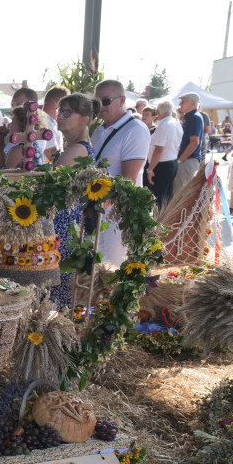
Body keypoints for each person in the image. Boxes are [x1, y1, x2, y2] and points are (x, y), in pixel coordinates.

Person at [48, 92, 99, 310]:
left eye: (67, 112)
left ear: (84, 119)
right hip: (68, 225)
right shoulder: (76, 147)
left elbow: (50, 191)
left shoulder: (77, 150)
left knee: (52, 292)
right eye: (60, 111)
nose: (60, 116)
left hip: (63, 225)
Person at [90, 80, 150, 265]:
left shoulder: (135, 129)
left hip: (117, 216)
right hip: (97, 211)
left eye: (105, 101)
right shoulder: (99, 130)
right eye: (96, 102)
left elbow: (128, 180)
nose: (101, 107)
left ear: (122, 100)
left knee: (112, 269)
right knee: (93, 269)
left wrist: (96, 206)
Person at [146, 101, 183, 210]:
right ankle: (165, 222)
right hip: (171, 162)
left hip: (162, 165)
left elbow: (158, 150)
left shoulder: (164, 125)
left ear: (158, 112)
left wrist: (150, 169)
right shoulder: (175, 123)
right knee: (166, 196)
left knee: (158, 198)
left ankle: (159, 223)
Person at [173, 91, 206, 193]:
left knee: (181, 193)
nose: (180, 104)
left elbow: (194, 142)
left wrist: (180, 160)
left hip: (187, 160)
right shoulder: (190, 117)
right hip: (186, 160)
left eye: (183, 101)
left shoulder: (194, 117)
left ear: (193, 103)